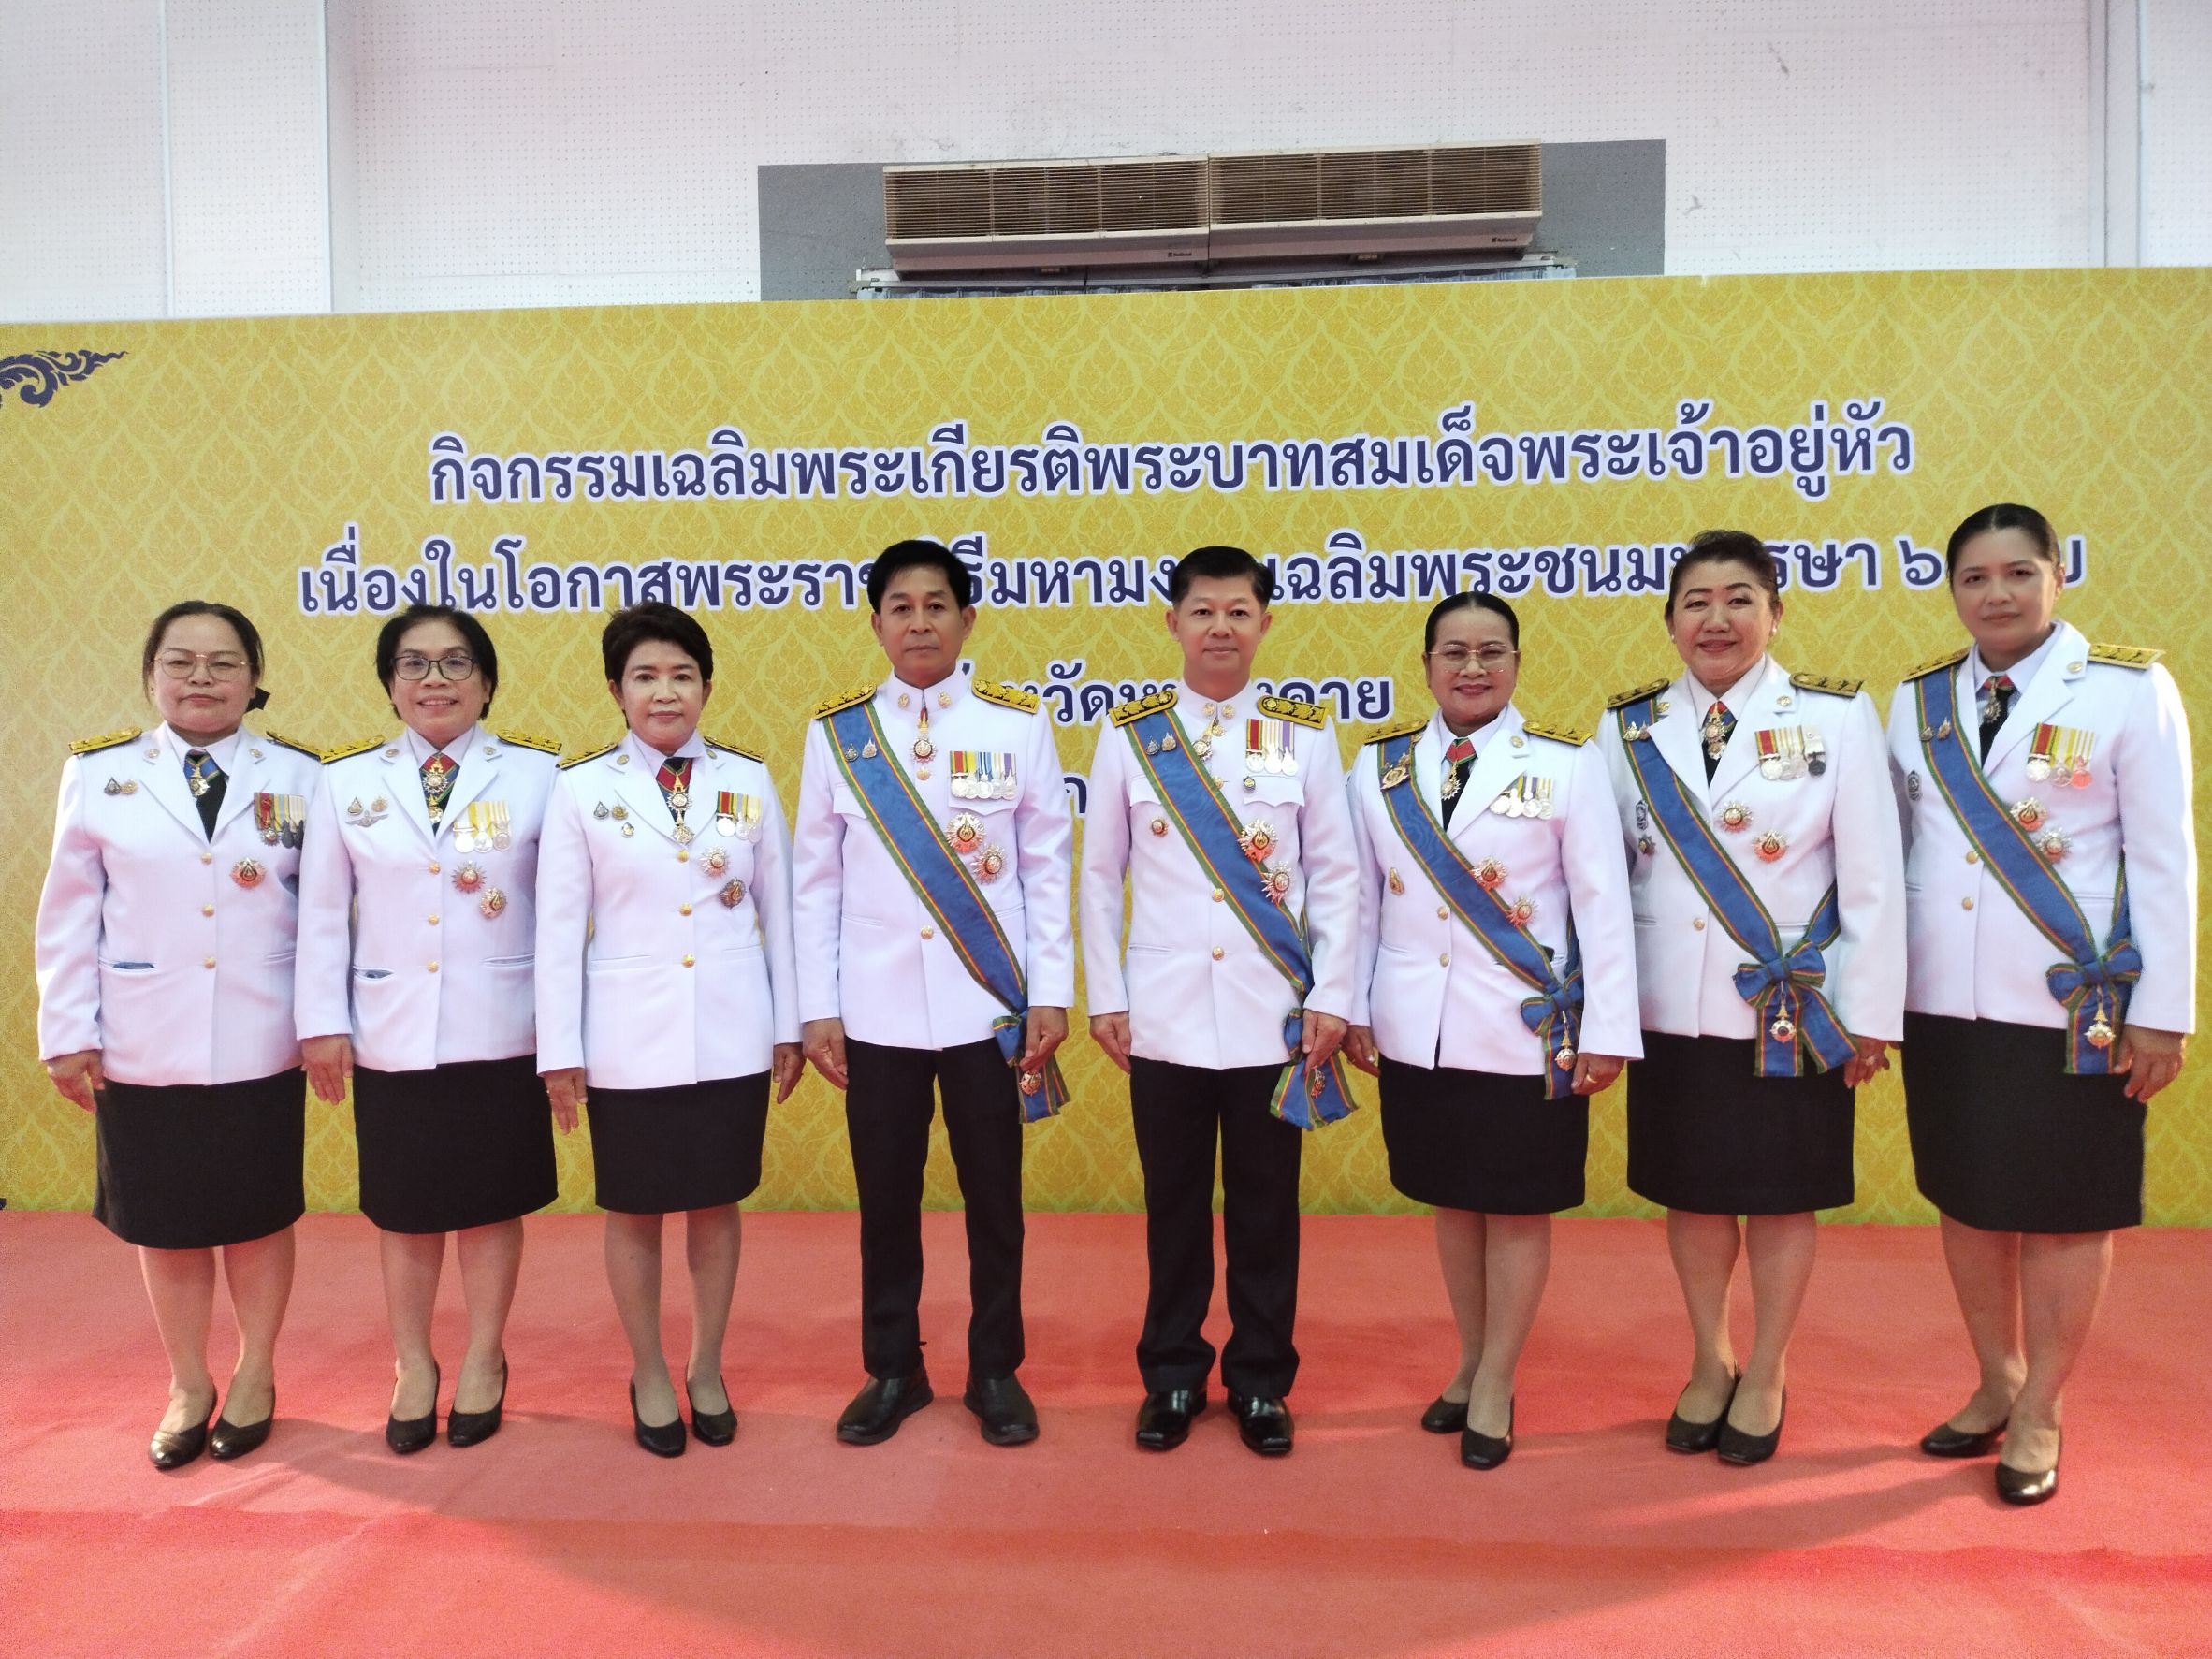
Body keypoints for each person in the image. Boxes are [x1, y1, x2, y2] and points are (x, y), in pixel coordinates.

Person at [1888, 502, 2193, 1506]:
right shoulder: (1919, 702)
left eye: (2018, 574)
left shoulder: (2124, 691)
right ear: (1955, 593)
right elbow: (1891, 861)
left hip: (2076, 1005)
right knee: (1970, 1201)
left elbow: (2162, 859)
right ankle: (1995, 1380)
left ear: (2058, 578)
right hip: (1946, 1000)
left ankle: (2045, 1406)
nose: (1998, 595)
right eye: (1976, 579)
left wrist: (2166, 1011)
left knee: (2067, 1212)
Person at [1594, 529, 1903, 1465]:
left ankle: (1767, 1368)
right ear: (1671, 621)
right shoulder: (1630, 727)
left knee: (1778, 1199)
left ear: (1775, 613)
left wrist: (1869, 1016)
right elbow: (1603, 882)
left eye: (1738, 599)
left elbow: (1874, 881)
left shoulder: (1839, 719)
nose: (1716, 618)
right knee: (1690, 1199)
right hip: (1673, 1009)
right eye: (1696, 602)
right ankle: (1709, 1358)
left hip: (1790, 1014)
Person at [1344, 592, 1639, 1470]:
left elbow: (1602, 907)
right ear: (1427, 662)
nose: (1472, 667)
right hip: (1418, 1029)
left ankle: (1501, 1378)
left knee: (1514, 1205)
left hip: (1524, 1027)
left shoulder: (1565, 764)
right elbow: (1359, 902)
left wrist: (1609, 1029)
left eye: (1492, 652)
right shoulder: (1380, 768)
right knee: (1453, 1198)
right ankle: (1470, 1360)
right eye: (1454, 652)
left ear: (1516, 663)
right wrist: (1355, 1007)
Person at [1081, 544, 1361, 1458]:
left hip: (1268, 1013)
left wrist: (1333, 993)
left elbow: (1339, 876)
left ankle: (1260, 1381)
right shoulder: (1132, 737)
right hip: (1161, 1014)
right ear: (1172, 622)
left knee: (1265, 1209)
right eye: (1203, 611)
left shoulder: (1303, 736)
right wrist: (1107, 995)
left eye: (1239, 612)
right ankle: (1169, 1376)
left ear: (1266, 624)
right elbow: (1099, 874)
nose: (1220, 629)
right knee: (1173, 1207)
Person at [793, 539, 1073, 1448]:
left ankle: (996, 1370)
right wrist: (819, 1006)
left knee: (996, 1197)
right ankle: (893, 1369)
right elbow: (815, 884)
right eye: (901, 607)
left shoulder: (1015, 727)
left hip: (987, 1009)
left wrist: (1051, 992)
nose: (919, 622)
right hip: (875, 1012)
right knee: (887, 1199)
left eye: (936, 605)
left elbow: (1043, 870)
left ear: (967, 619)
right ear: (876, 623)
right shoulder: (838, 737)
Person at [35, 601, 322, 1469]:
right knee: (167, 1222)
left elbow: (326, 917)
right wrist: (66, 1030)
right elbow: (68, 915)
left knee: (259, 1215)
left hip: (261, 1034)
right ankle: (189, 1380)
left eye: (223, 662)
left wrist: (324, 1024)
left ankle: (256, 1373)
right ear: (150, 675)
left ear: (255, 677)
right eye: (182, 661)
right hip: (140, 1036)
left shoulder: (304, 776)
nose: (202, 678)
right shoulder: (100, 774)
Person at [535, 603, 802, 1457]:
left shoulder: (747, 780)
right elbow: (556, 930)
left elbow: (782, 917)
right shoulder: (580, 789)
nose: (665, 691)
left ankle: (707, 1364)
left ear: (707, 686)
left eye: (682, 675)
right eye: (645, 676)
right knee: (636, 1209)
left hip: (730, 1030)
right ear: (617, 690)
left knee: (716, 1203)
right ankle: (649, 1368)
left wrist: (788, 1028)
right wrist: (560, 1052)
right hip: (626, 1037)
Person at [296, 604, 561, 1453]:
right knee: (405, 1212)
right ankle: (413, 1363)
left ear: (486, 681)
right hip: (390, 1027)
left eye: (455, 663)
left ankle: (485, 1356)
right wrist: (321, 1023)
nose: (434, 680)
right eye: (414, 664)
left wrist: (564, 1038)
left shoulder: (539, 775)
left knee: (489, 1207)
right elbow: (322, 917)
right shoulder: (345, 781)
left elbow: (562, 920)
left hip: (501, 1025)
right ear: (389, 684)